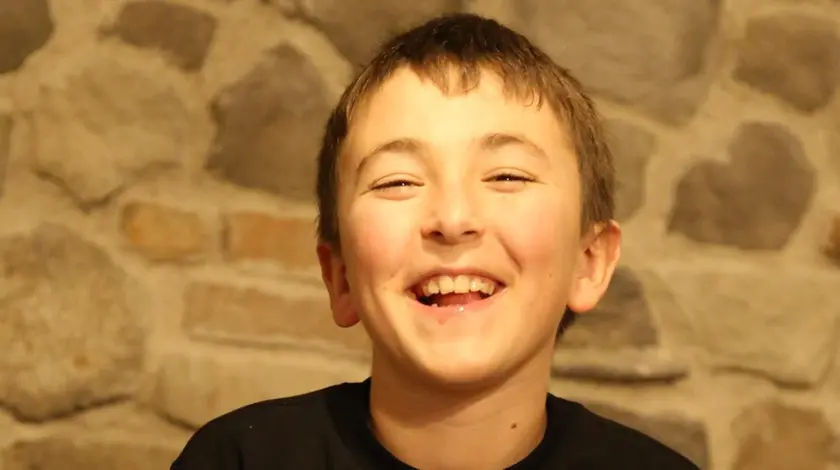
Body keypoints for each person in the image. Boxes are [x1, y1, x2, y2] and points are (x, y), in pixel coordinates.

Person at [171, 13, 700, 470]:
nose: (452, 218)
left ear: (588, 262)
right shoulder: (240, 460)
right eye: (398, 182)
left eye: (507, 176)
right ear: (340, 277)